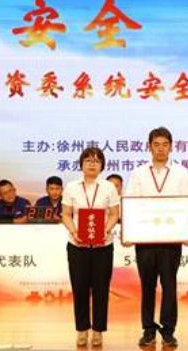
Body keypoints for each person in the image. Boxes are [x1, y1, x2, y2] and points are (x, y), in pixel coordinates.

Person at [125, 127, 188, 348]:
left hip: (171, 241)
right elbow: (130, 204)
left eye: (165, 144)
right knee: (147, 286)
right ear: (149, 147)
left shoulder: (182, 174)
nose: (161, 149)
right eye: (156, 144)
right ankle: (148, 329)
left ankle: (168, 330)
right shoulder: (138, 174)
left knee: (169, 285)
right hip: (144, 240)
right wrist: (128, 233)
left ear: (171, 147)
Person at [61, 147, 120, 347]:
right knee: (80, 289)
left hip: (103, 246)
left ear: (102, 165)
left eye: (96, 161)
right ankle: (82, 330)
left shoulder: (109, 187)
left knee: (101, 289)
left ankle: (98, 331)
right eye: (88, 160)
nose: (92, 164)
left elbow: (114, 214)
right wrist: (74, 231)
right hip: (77, 246)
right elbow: (66, 214)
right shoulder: (71, 187)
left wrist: (106, 230)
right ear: (81, 164)